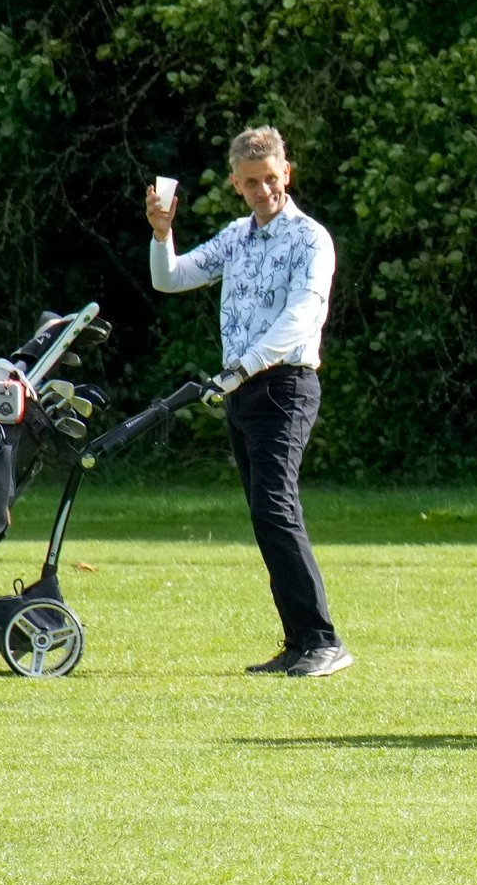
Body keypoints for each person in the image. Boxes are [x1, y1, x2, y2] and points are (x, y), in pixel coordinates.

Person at [145, 126, 350, 678]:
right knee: (266, 514)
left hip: (284, 385)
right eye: (252, 182)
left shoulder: (310, 238)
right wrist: (162, 234)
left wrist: (243, 367)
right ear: (236, 184)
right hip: (241, 391)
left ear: (287, 173)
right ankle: (299, 642)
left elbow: (302, 316)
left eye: (271, 178)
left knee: (275, 508)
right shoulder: (237, 236)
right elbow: (170, 278)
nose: (264, 190)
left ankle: (323, 641)